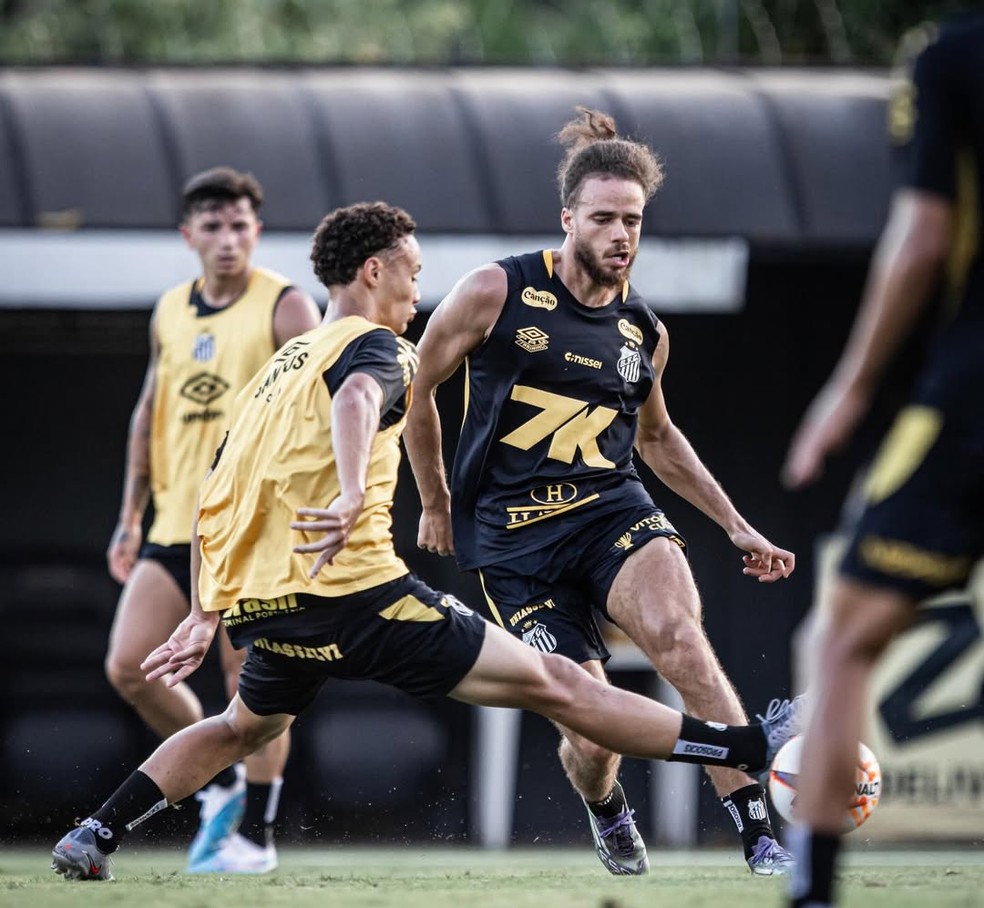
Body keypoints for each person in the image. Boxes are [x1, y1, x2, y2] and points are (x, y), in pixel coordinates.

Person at [51, 201, 803, 882]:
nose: (418, 291)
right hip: (362, 599)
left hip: (272, 608)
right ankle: (748, 749)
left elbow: (212, 494)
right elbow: (357, 399)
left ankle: (95, 832)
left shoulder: (277, 370)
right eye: (412, 274)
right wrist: (352, 491)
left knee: (238, 727)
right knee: (564, 687)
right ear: (374, 271)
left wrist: (206, 610)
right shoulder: (382, 348)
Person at [402, 107, 797, 877]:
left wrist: (735, 525)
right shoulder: (496, 292)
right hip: (514, 545)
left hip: (611, 513)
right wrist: (438, 501)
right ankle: (606, 808)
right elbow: (417, 388)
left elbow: (656, 439)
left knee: (678, 636)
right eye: (606, 219)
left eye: (635, 221)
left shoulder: (642, 331)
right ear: (568, 219)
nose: (623, 235)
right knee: (591, 737)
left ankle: (757, 829)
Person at [780, 14, 984, 908]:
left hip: (972, 395)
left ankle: (813, 889)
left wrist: (850, 389)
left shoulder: (953, 57)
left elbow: (924, 234)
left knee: (842, 638)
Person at [103, 166, 322, 873]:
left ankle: (255, 835)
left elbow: (320, 418)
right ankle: (218, 778)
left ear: (256, 231)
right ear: (188, 234)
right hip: (173, 526)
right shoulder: (170, 309)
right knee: (132, 667)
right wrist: (129, 515)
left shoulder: (285, 307)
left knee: (247, 685)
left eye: (240, 226)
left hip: (252, 532)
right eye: (214, 226)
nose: (228, 240)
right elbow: (148, 410)